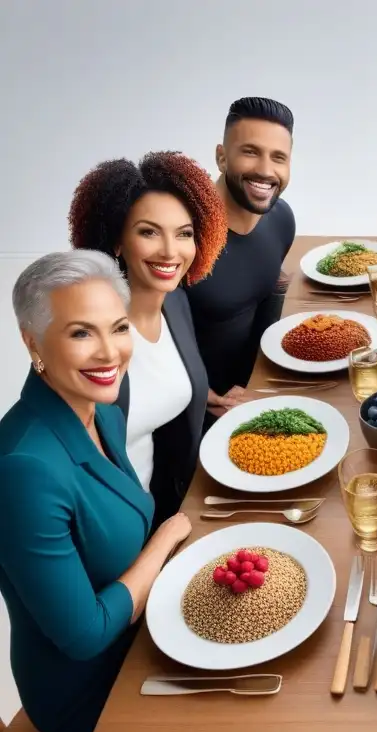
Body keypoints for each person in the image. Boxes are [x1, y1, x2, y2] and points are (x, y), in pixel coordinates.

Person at [0, 250, 192, 732]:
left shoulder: (100, 408)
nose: (110, 353)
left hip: (143, 637)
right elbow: (84, 634)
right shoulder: (24, 469)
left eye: (119, 327)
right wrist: (167, 538)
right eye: (82, 333)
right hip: (89, 690)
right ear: (32, 341)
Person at [68, 151, 227, 524]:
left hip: (162, 510)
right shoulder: (87, 340)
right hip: (104, 529)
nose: (170, 251)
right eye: (149, 232)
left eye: (184, 233)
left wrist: (203, 393)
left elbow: (157, 381)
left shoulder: (175, 303)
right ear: (117, 241)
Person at [183, 97, 296, 420]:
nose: (265, 170)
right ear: (221, 157)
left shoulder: (282, 220)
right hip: (190, 413)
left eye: (278, 158)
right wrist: (202, 396)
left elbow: (262, 292)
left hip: (253, 394)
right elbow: (135, 335)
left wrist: (260, 384)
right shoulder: (180, 237)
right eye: (250, 152)